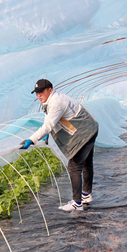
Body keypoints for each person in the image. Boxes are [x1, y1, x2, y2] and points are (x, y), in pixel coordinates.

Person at [20, 79, 98, 214]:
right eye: (37, 93)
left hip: (85, 132)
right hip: (90, 128)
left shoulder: (56, 102)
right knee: (86, 164)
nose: (38, 95)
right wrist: (48, 133)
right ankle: (85, 195)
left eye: (41, 92)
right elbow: (50, 119)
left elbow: (48, 124)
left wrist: (31, 139)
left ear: (50, 90)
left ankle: (77, 203)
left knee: (74, 166)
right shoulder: (52, 99)